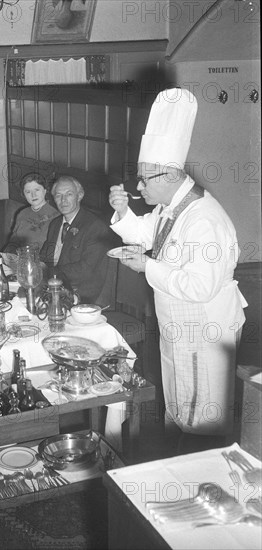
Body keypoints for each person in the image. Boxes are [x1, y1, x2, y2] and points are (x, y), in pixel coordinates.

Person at [108, 88, 247, 439]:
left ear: (170, 175)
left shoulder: (204, 218)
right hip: (178, 327)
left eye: (144, 179)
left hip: (202, 331)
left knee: (200, 414)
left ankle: (202, 478)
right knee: (179, 405)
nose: (138, 187)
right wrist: (124, 213)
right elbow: (145, 232)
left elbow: (201, 286)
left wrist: (146, 267)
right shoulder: (171, 207)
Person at [40, 175, 113, 302]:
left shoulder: (95, 226)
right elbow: (45, 256)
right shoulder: (55, 224)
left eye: (69, 194)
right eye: (58, 195)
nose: (63, 200)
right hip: (53, 286)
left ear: (79, 196)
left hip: (80, 293)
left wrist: (49, 272)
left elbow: (86, 270)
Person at [3, 173, 59, 254]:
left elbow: (54, 251)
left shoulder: (56, 216)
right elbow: (13, 243)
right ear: (24, 194)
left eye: (37, 190)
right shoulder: (22, 213)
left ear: (45, 191)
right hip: (19, 259)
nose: (33, 195)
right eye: (28, 192)